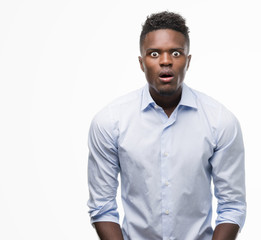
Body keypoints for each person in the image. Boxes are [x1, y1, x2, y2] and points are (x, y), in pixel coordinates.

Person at [87, 11, 246, 240]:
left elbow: (232, 206)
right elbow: (102, 206)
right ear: (142, 63)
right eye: (154, 53)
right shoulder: (110, 122)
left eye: (175, 52)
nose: (165, 61)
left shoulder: (220, 121)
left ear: (188, 61)